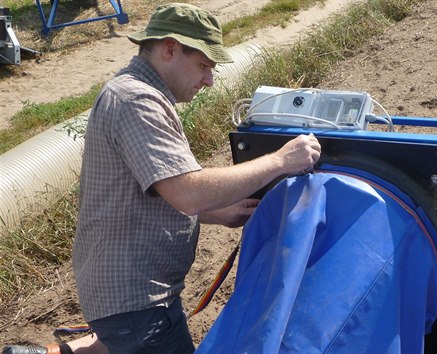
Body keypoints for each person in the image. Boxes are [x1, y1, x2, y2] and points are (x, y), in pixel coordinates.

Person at [2, 3, 320, 354]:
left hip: (124, 292)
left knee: (120, 343)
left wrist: (215, 212)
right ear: (170, 48)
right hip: (138, 301)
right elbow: (187, 193)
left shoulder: (138, 93)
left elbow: (149, 191)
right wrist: (280, 160)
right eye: (204, 66)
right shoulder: (138, 101)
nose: (209, 80)